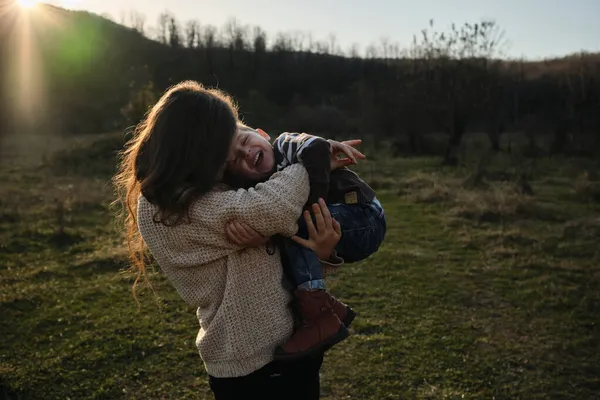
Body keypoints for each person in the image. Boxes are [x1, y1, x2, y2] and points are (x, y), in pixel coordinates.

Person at [113, 80, 361, 399]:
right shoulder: (166, 207)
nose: (230, 163)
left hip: (293, 345)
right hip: (252, 363)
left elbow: (269, 258)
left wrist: (321, 256)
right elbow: (272, 208)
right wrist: (312, 158)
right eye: (223, 157)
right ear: (192, 152)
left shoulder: (204, 185)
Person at [223, 124, 387, 359]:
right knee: (290, 230)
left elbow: (315, 145)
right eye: (237, 159)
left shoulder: (283, 144)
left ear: (261, 134)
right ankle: (328, 307)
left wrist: (312, 203)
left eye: (244, 141)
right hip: (344, 233)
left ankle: (319, 315)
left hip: (362, 214)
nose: (245, 152)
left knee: (292, 224)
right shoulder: (263, 189)